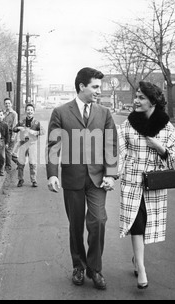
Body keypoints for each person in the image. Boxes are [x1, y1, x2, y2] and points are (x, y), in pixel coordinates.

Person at [46, 67, 118, 290]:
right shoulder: (60, 112)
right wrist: (52, 175)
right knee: (75, 225)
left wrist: (111, 175)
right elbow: (53, 146)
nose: (99, 91)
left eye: (100, 87)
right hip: (73, 178)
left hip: (98, 179)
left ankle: (94, 269)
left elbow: (111, 145)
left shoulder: (104, 113)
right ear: (81, 87)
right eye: (95, 86)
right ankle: (78, 266)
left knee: (98, 221)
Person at [117, 81, 175, 289]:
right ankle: (141, 268)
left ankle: (138, 259)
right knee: (136, 222)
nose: (136, 100)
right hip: (132, 180)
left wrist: (160, 147)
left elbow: (173, 158)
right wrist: (115, 174)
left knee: (145, 223)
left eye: (141, 97)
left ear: (153, 102)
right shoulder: (128, 124)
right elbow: (120, 151)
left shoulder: (167, 127)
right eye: (136, 96)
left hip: (154, 182)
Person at [14, 104, 44, 187]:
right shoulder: (21, 121)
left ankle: (34, 180)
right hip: (23, 144)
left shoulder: (37, 123)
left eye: (31, 110)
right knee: (21, 163)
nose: (29, 111)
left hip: (32, 144)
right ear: (25, 111)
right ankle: (20, 179)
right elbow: (14, 129)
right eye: (28, 110)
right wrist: (19, 128)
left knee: (33, 163)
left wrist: (36, 132)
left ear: (33, 112)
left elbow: (43, 132)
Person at [2, 98, 19, 171]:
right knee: (7, 151)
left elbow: (15, 125)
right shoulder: (3, 113)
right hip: (4, 134)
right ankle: (19, 163)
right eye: (6, 103)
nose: (7, 105)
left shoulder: (14, 114)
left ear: (11, 104)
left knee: (8, 150)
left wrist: (13, 136)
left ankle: (8, 166)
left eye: (9, 103)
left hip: (11, 133)